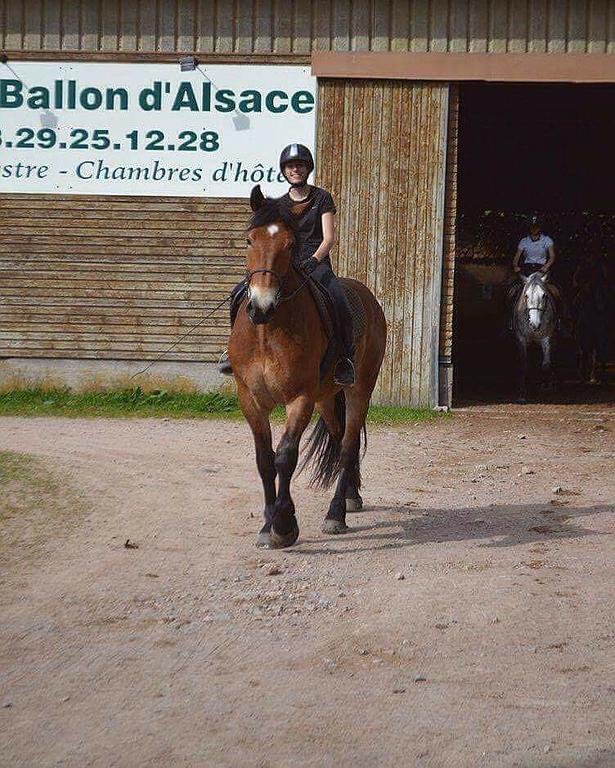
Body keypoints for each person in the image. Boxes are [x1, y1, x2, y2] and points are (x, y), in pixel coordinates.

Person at [218, 143, 356, 386]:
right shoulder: (280, 205)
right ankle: (233, 351)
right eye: (291, 166)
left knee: (338, 298)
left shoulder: (322, 198)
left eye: (300, 165)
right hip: (287, 263)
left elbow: (328, 238)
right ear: (284, 171)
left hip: (316, 263)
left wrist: (314, 260)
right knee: (238, 293)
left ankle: (345, 359)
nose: (295, 170)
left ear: (308, 169)